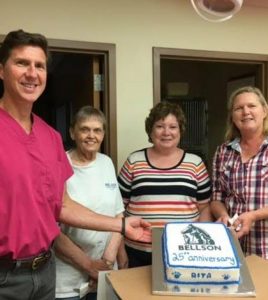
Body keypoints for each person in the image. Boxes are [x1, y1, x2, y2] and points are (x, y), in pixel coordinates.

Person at [0, 29, 150, 300]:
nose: (32, 73)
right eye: (22, 63)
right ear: (1, 70)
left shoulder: (49, 137)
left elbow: (63, 205)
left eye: (40, 65)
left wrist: (122, 225)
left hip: (45, 272)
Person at [117, 101, 212, 267]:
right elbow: (117, 210)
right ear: (151, 131)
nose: (166, 132)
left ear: (180, 130)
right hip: (137, 252)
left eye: (173, 127)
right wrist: (120, 251)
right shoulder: (134, 161)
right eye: (160, 126)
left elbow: (205, 208)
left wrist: (199, 247)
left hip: (183, 252)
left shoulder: (195, 163)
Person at [54, 106, 128, 300]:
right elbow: (52, 229)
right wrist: (89, 265)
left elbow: (118, 215)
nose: (91, 135)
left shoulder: (106, 163)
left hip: (104, 273)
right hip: (67, 279)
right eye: (84, 129)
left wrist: (107, 261)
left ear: (103, 134)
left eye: (97, 130)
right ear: (72, 132)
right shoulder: (58, 165)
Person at [211, 86, 268, 259]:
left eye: (251, 106)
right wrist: (222, 215)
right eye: (239, 108)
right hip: (231, 249)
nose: (245, 112)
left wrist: (253, 216)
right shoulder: (223, 152)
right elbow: (216, 198)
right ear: (232, 117)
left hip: (264, 249)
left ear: (264, 111)